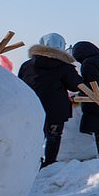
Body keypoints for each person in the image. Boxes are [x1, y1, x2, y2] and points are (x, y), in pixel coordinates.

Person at [17, 33, 84, 167]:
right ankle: (50, 163)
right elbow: (74, 85)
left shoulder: (27, 65)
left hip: (31, 106)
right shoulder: (65, 66)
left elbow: (19, 84)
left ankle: (31, 162)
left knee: (33, 135)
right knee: (54, 136)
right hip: (56, 108)